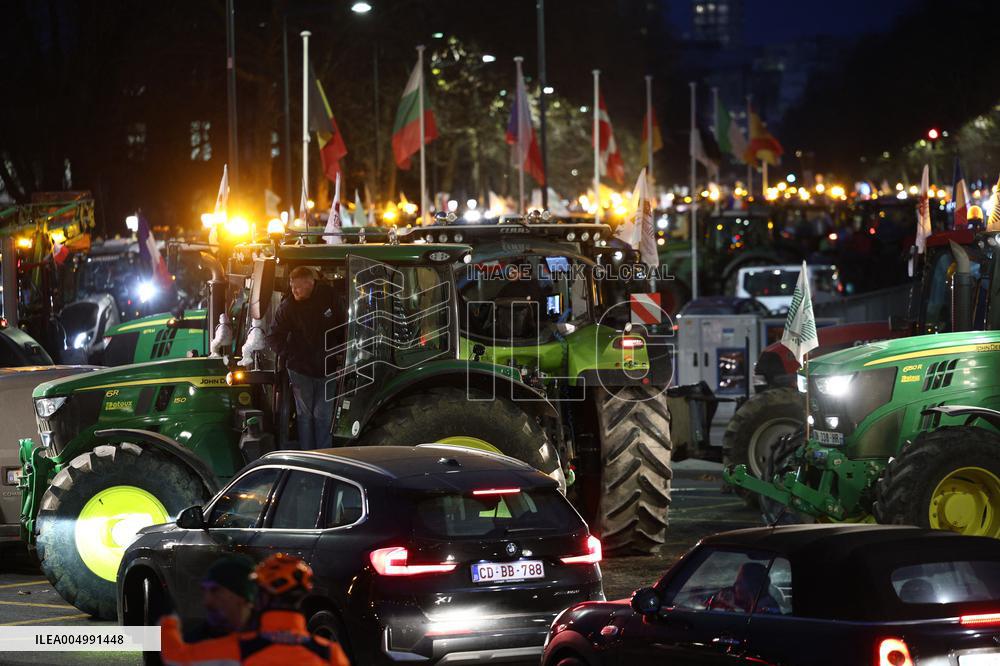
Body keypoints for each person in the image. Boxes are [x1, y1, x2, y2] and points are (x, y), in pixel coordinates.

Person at [161, 554, 350, 666]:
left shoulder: (240, 648)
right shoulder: (328, 652)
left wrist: (165, 618)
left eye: (215, 591)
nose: (208, 601)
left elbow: (174, 655)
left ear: (254, 597)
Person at [266, 266, 343, 450]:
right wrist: (291, 354)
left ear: (311, 283)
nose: (294, 291)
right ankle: (309, 457)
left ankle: (325, 456)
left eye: (298, 287)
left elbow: (343, 324)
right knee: (305, 416)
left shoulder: (329, 296)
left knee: (323, 415)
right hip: (300, 369)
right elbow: (273, 337)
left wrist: (341, 352)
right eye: (292, 287)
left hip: (328, 367)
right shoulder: (288, 306)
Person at [184, 555, 256, 641]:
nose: (207, 602)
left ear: (243, 596)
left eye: (215, 591)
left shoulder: (270, 642)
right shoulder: (190, 645)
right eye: (204, 591)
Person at [706, 562, 781, 614]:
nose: (734, 585)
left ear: (752, 586)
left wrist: (731, 607)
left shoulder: (766, 608)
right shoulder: (761, 602)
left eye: (739, 582)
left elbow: (747, 625)